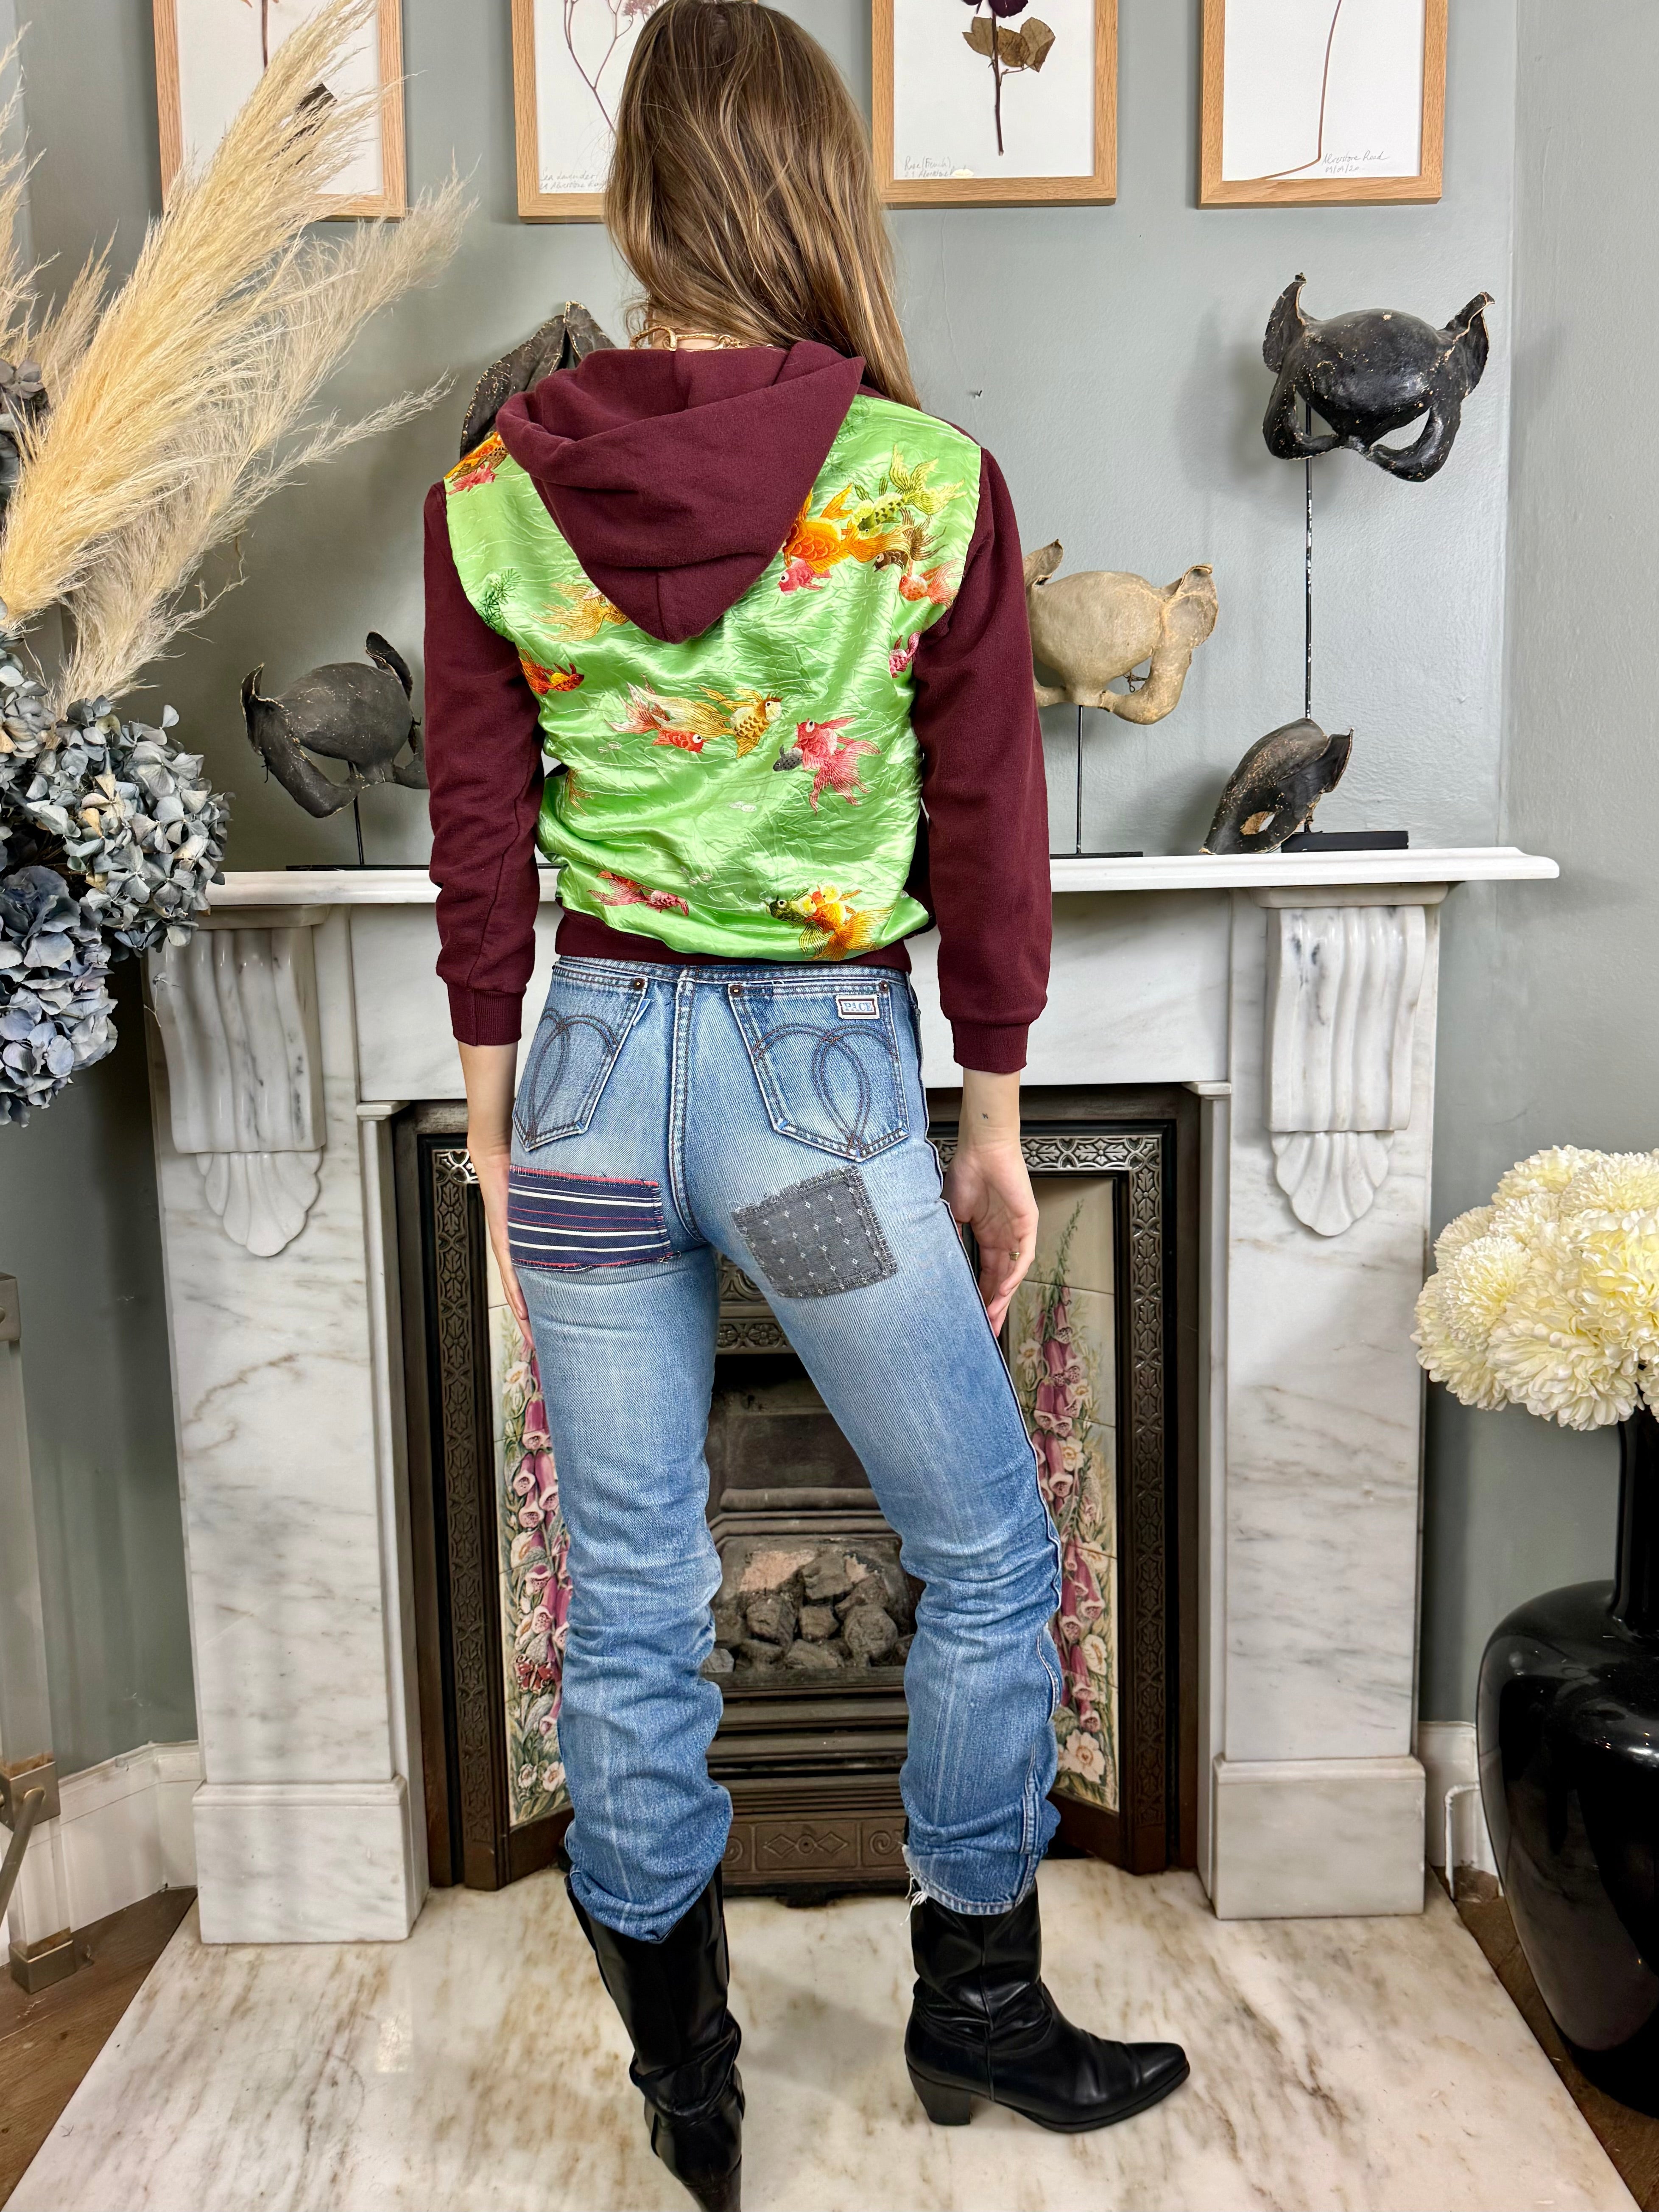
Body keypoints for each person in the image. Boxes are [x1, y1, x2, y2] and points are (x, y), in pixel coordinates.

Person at [424, 5, 1188, 2204]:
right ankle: (977, 2009)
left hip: (585, 1086)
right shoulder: (921, 487)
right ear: (813, 186)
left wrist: (491, 1121)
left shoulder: (492, 493)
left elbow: (479, 841)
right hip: (812, 1112)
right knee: (986, 1549)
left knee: (631, 1591)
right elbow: (991, 832)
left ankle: (688, 2083)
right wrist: (993, 1118)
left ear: (637, 196)